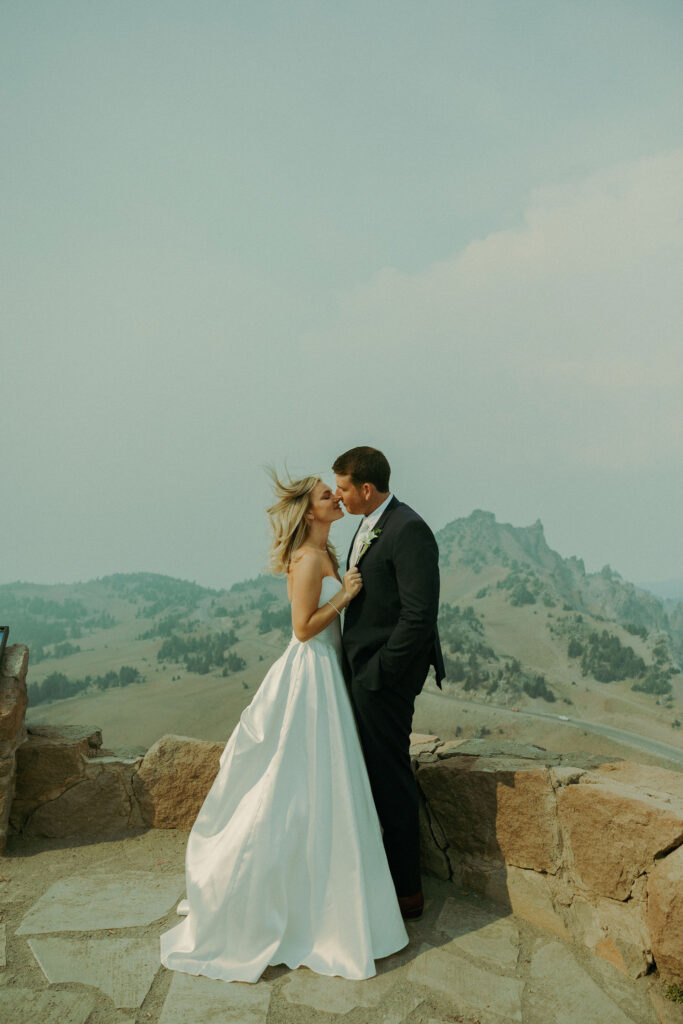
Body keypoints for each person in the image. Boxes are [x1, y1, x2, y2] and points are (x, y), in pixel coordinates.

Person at [159, 470, 409, 984]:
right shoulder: (309, 559)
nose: (335, 498)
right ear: (310, 512)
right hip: (310, 674)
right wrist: (345, 597)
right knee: (296, 783)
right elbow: (301, 628)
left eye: (335, 492)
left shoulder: (328, 554)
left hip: (328, 670)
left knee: (323, 786)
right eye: (326, 496)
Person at [333, 446, 445, 921]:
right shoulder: (367, 524)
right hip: (362, 673)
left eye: (342, 487)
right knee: (372, 777)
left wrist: (378, 674)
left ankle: (407, 893)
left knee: (390, 780)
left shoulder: (409, 528)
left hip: (384, 678)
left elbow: (419, 618)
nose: (337, 496)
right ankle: (381, 879)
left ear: (365, 488)